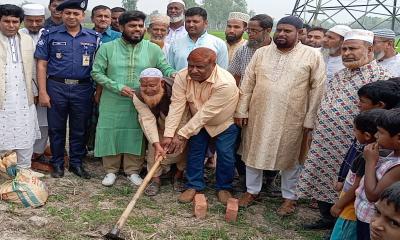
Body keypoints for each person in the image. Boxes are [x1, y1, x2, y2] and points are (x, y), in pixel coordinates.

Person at [298, 29, 392, 230]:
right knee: (323, 177)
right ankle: (327, 218)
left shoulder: (382, 77)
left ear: (369, 49)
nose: (347, 53)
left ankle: (342, 224)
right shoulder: (341, 74)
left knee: (350, 184)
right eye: (344, 49)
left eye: (353, 48)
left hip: (355, 144)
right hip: (325, 140)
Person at [234, 16, 326, 216]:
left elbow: (317, 89)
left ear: (299, 33)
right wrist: (242, 110)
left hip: (292, 117)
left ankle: (289, 198)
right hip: (259, 114)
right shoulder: (261, 53)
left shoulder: (312, 56)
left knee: (291, 157)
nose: (282, 34)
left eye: (288, 31)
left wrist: (310, 118)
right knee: (252, 153)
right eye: (280, 30)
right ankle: (251, 191)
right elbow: (247, 83)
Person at [91, 11, 176, 187]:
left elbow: (165, 68)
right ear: (121, 27)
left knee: (136, 132)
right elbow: (96, 72)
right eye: (132, 25)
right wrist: (117, 87)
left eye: (140, 25)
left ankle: (133, 171)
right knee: (110, 130)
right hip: (112, 99)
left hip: (142, 101)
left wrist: (175, 75)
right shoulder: (107, 48)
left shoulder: (152, 48)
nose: (137, 29)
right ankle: (111, 170)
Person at [162, 47, 239, 204]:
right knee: (195, 152)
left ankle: (224, 187)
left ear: (213, 65)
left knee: (225, 154)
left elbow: (206, 113)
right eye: (191, 65)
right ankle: (194, 185)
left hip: (222, 123)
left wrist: (182, 134)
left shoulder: (225, 82)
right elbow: (177, 106)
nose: (193, 70)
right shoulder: (182, 76)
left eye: (200, 67)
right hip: (196, 123)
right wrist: (169, 134)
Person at [35, 0, 101, 179]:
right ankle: (57, 163)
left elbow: (100, 66)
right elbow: (41, 64)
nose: (71, 17)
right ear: (61, 14)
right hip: (56, 87)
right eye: (68, 13)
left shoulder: (93, 37)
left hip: (83, 88)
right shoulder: (49, 34)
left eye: (76, 13)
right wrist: (42, 91)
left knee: (80, 128)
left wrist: (98, 91)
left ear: (83, 16)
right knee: (56, 128)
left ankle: (76, 163)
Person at [228, 14, 275, 193]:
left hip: (268, 107)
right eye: (249, 31)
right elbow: (235, 76)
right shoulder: (243, 50)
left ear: (268, 30)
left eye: (255, 31)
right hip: (244, 105)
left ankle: (269, 178)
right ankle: (244, 178)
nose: (250, 35)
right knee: (241, 142)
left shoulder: (277, 51)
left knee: (267, 141)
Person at [131, 68, 189, 195]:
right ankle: (155, 179)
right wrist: (156, 144)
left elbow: (182, 113)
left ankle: (178, 175)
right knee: (154, 150)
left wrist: (177, 135)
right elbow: (147, 119)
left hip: (179, 120)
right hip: (157, 123)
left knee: (180, 148)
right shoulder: (138, 96)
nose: (148, 89)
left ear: (162, 83)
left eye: (152, 85)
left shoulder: (176, 88)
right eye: (144, 85)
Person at [330, 110, 383, 240]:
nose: (353, 133)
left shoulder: (367, 157)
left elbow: (356, 187)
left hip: (350, 211)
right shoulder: (372, 153)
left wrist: (338, 205)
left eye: (355, 130)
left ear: (366, 135)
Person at [0, 4, 41, 174]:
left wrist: (35, 91)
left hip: (24, 94)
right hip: (3, 93)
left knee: (25, 129)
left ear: (20, 23)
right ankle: (4, 169)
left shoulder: (26, 40)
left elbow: (32, 69)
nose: (11, 25)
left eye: (15, 21)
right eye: (6, 21)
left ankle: (24, 170)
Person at [355, 108, 400, 240]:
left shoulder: (398, 166)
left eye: (380, 132)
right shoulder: (393, 154)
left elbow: (373, 195)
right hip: (370, 217)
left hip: (377, 224)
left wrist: (370, 162)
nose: (376, 136)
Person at [88, 5, 122, 153]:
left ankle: (105, 150)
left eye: (106, 16)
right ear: (92, 18)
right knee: (86, 118)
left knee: (105, 118)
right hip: (85, 82)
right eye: (99, 16)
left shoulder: (117, 37)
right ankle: (87, 148)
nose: (103, 19)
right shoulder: (85, 35)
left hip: (108, 83)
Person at [19, 4, 49, 163]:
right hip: (22, 87)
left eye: (38, 20)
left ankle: (38, 152)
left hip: (46, 85)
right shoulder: (17, 35)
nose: (34, 24)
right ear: (23, 20)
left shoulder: (50, 35)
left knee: (44, 122)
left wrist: (41, 90)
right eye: (30, 21)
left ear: (44, 19)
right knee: (24, 120)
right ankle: (21, 153)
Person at [167, 7, 229, 71]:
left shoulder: (218, 44)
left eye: (195, 21)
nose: (191, 25)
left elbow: (222, 72)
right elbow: (170, 70)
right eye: (188, 21)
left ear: (205, 23)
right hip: (180, 81)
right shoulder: (175, 44)